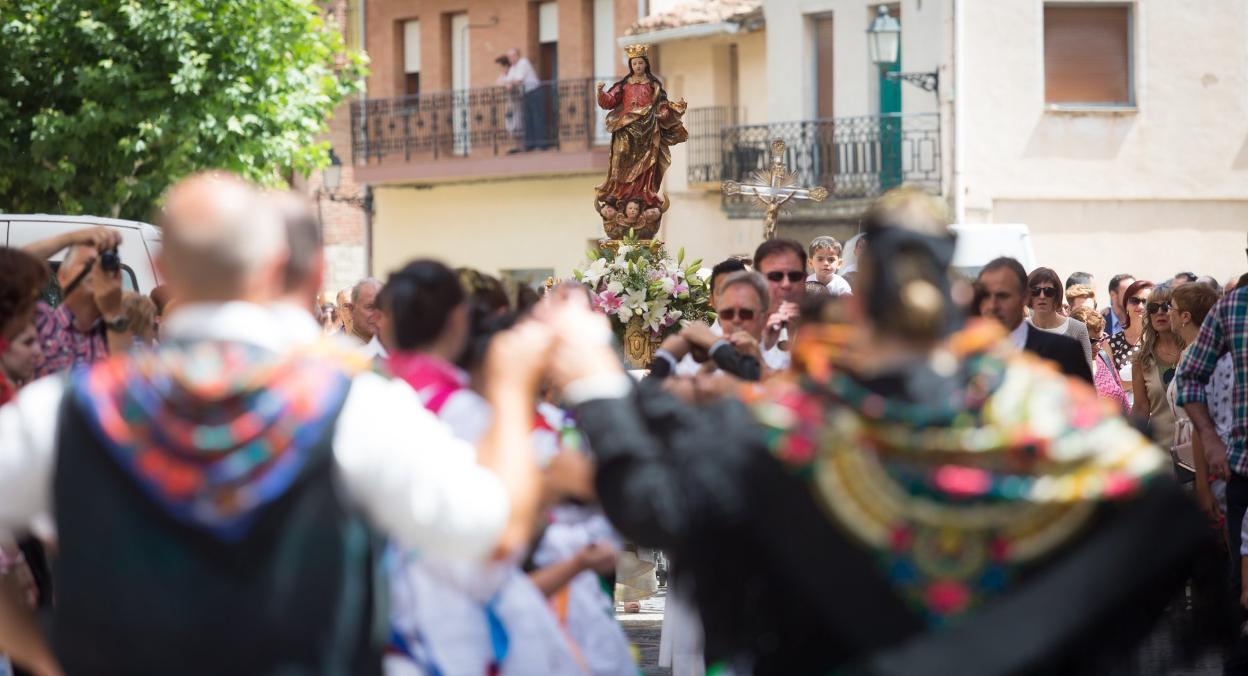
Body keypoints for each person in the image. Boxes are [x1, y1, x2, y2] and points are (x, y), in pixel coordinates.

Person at [543, 186, 1208, 675]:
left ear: (858, 303)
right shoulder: (1076, 430)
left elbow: (657, 506)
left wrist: (595, 385)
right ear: (954, 292)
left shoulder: (791, 431)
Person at [0, 172, 548, 674]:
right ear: (279, 266)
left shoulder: (60, 412)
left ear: (165, 271)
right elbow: (491, 532)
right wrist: (510, 386)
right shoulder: (356, 406)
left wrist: (47, 659)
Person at [379, 260, 582, 676]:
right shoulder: (466, 410)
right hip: (455, 613)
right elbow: (501, 533)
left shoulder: (367, 392)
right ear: (458, 318)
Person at [22, 227, 133, 378]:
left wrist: (113, 311)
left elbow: (130, 383)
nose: (97, 272)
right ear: (62, 275)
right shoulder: (40, 321)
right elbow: (9, 266)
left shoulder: (119, 331)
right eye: (90, 262)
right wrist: (71, 238)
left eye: (104, 265)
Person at [595, 44, 688, 210]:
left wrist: (663, 112)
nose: (637, 66)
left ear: (645, 64)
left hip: (648, 127)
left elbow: (662, 104)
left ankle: (643, 192)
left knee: (647, 162)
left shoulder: (654, 85)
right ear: (631, 66)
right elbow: (609, 101)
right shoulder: (624, 85)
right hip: (626, 127)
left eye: (640, 63)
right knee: (620, 155)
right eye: (634, 63)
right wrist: (601, 93)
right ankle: (619, 192)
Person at [977, 258, 1093, 384]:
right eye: (985, 296)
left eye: (1003, 296)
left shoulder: (1068, 345)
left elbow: (1086, 394)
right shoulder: (971, 349)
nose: (993, 305)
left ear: (1023, 297)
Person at [1168, 284, 1227, 522]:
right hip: (1186, 456)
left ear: (1185, 317)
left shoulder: (1201, 356)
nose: (1167, 312)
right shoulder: (1188, 352)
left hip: (1204, 455)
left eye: (1171, 308)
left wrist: (1203, 485)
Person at [649, 271, 768, 382]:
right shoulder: (700, 356)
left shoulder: (779, 354)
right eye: (727, 313)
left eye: (745, 313)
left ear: (763, 318)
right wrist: (666, 356)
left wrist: (716, 346)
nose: (736, 320)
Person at [1129, 285, 1184, 457]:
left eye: (1166, 306)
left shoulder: (1194, 350)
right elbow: (1140, 408)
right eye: (1153, 308)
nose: (1160, 312)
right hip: (1162, 452)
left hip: (1198, 449)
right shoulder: (1141, 359)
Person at [754, 238, 807, 372]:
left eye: (794, 276)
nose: (786, 284)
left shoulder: (824, 327)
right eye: (776, 276)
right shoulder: (739, 321)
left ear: (805, 279)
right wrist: (762, 346)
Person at [1025, 267, 1093, 369]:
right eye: (1035, 290)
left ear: (1057, 295)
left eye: (1048, 291)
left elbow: (1087, 378)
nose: (1042, 296)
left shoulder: (1078, 329)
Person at [1070, 307, 1128, 412]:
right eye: (1091, 341)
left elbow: (1123, 400)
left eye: (1100, 340)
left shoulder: (1103, 358)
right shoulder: (1064, 369)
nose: (1097, 346)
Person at [503, 47, 552, 152]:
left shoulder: (523, 63)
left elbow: (519, 79)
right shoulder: (513, 68)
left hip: (534, 91)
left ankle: (541, 144)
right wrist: (509, 82)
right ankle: (530, 144)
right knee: (527, 119)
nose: (510, 58)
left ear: (517, 55)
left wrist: (509, 82)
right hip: (525, 94)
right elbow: (505, 81)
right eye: (509, 57)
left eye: (512, 56)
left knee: (537, 117)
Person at [1110, 279, 1154, 390]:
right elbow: (1110, 384)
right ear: (1126, 306)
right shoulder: (1111, 343)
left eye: (1146, 302)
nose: (1140, 306)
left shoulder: (1160, 340)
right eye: (1134, 301)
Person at [346, 277, 386, 359]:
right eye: (370, 307)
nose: (378, 314)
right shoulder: (339, 352)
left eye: (382, 307)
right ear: (351, 310)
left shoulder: (396, 351)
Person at [1103, 273, 1135, 337]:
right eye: (1128, 292)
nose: (1134, 296)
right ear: (1113, 295)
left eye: (1135, 292)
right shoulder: (1101, 322)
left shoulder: (1141, 320)